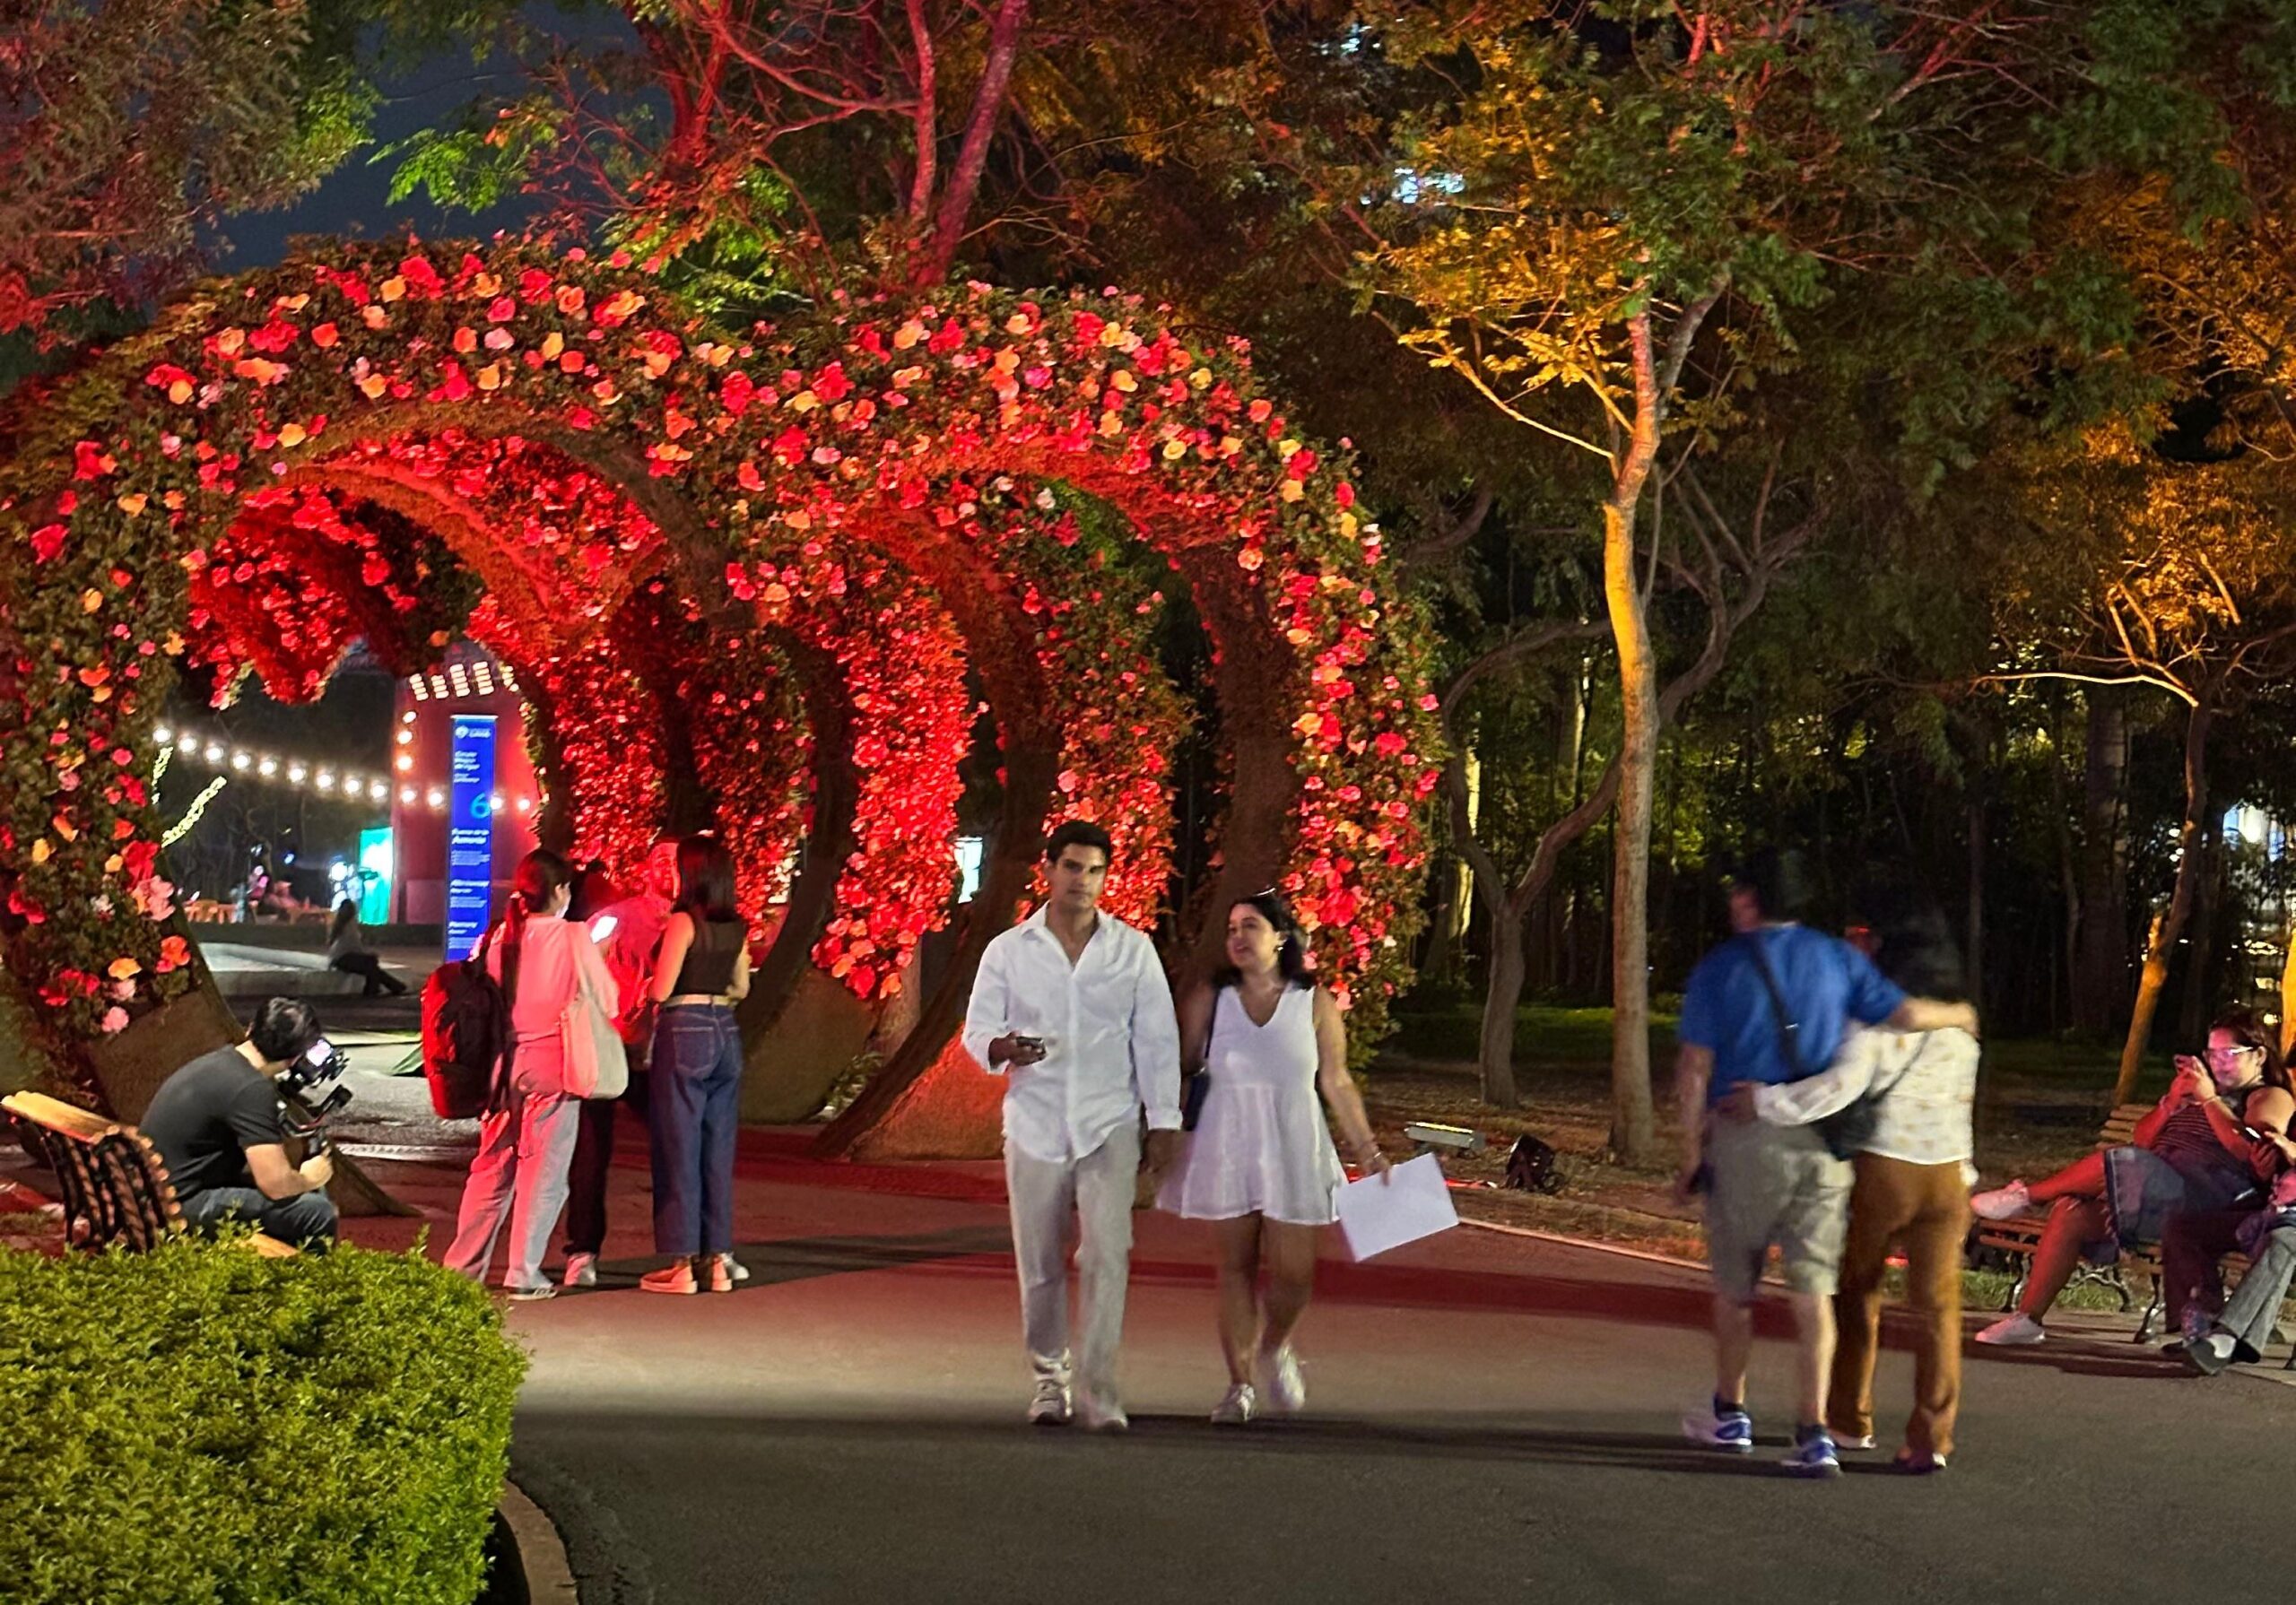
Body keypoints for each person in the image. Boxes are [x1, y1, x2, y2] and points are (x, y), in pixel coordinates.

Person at [1674, 848, 1977, 1477]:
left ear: (1749, 899)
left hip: (1813, 1150)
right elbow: (1926, 1042)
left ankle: (1774, 1414)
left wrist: (1714, 1135)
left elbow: (1707, 1069)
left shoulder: (1731, 970)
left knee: (1782, 1291)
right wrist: (1963, 1015)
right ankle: (1869, 1435)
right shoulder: (1860, 972)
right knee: (1868, 1300)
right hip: (1889, 1163)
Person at [961, 820, 1182, 1431]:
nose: (1082, 880)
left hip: (1109, 1120)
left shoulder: (1132, 949)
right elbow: (975, 1033)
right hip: (1034, 1122)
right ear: (1049, 870)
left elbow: (1157, 1040)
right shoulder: (1009, 950)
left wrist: (1164, 1121)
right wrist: (1003, 1047)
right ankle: (1048, 1381)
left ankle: (1100, 1386)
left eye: (1094, 870)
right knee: (1040, 1259)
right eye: (1072, 867)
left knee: (1109, 1255)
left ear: (1106, 877)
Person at [1159, 889, 1390, 1425]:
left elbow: (1336, 1079)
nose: (1237, 937)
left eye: (1250, 927)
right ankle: (1238, 1386)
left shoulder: (1313, 1002)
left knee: (1294, 1274)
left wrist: (1368, 1152)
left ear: (1280, 938)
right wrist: (1164, 1128)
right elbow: (1183, 1065)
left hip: (1294, 1143)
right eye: (1233, 928)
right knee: (1235, 1268)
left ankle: (1274, 1345)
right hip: (1226, 1140)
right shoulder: (1209, 1000)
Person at [1970, 1005, 2292, 1346]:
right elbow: (2142, 1138)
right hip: (2156, 1192)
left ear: (2258, 1056)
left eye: (2228, 1053)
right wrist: (2170, 1103)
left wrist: (2210, 1100)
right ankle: (2028, 1319)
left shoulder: (2268, 1095)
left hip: (2207, 1202)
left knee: (2123, 1161)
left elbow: (2253, 1150)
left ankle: (2026, 1196)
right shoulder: (2200, 1091)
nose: (2217, 1062)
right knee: (2071, 1211)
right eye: (2211, 1053)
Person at [446, 848, 613, 1300]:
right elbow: (608, 1001)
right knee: (545, 1172)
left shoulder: (502, 937)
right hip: (552, 1069)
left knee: (490, 1170)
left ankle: (461, 1267)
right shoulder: (574, 937)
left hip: (502, 1072)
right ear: (560, 891)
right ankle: (523, 1270)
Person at [562, 840, 708, 1289]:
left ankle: (692, 1251)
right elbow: (581, 962)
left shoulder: (697, 924)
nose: (667, 869)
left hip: (662, 1054)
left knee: (680, 1148)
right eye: (658, 861)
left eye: (675, 862)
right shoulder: (618, 917)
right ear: (645, 870)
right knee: (589, 1154)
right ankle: (582, 1251)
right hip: (608, 1049)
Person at [640, 835, 752, 1296]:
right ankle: (718, 1261)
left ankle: (683, 1263)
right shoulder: (737, 926)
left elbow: (660, 990)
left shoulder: (683, 923)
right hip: (726, 1030)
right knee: (717, 1149)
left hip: (683, 1028)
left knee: (677, 1147)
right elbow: (741, 987)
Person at [142, 996, 338, 1246]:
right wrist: (310, 1178)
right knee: (317, 1212)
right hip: (180, 1205)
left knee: (292, 1195)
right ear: (295, 1059)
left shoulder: (219, 1062)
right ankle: (307, 1283)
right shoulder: (251, 1090)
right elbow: (275, 1185)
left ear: (250, 1028)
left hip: (158, 1192)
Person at [2167, 1154, 2296, 1375]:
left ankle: (2225, 1335)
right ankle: (2204, 1323)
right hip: (2271, 1215)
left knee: (2283, 1240)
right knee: (2184, 1229)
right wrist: (2265, 1170)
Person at [326, 899, 407, 997]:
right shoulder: (350, 927)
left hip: (340, 959)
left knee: (372, 965)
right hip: (344, 959)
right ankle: (381, 988)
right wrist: (368, 955)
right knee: (372, 963)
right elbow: (355, 947)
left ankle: (384, 987)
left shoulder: (339, 924)